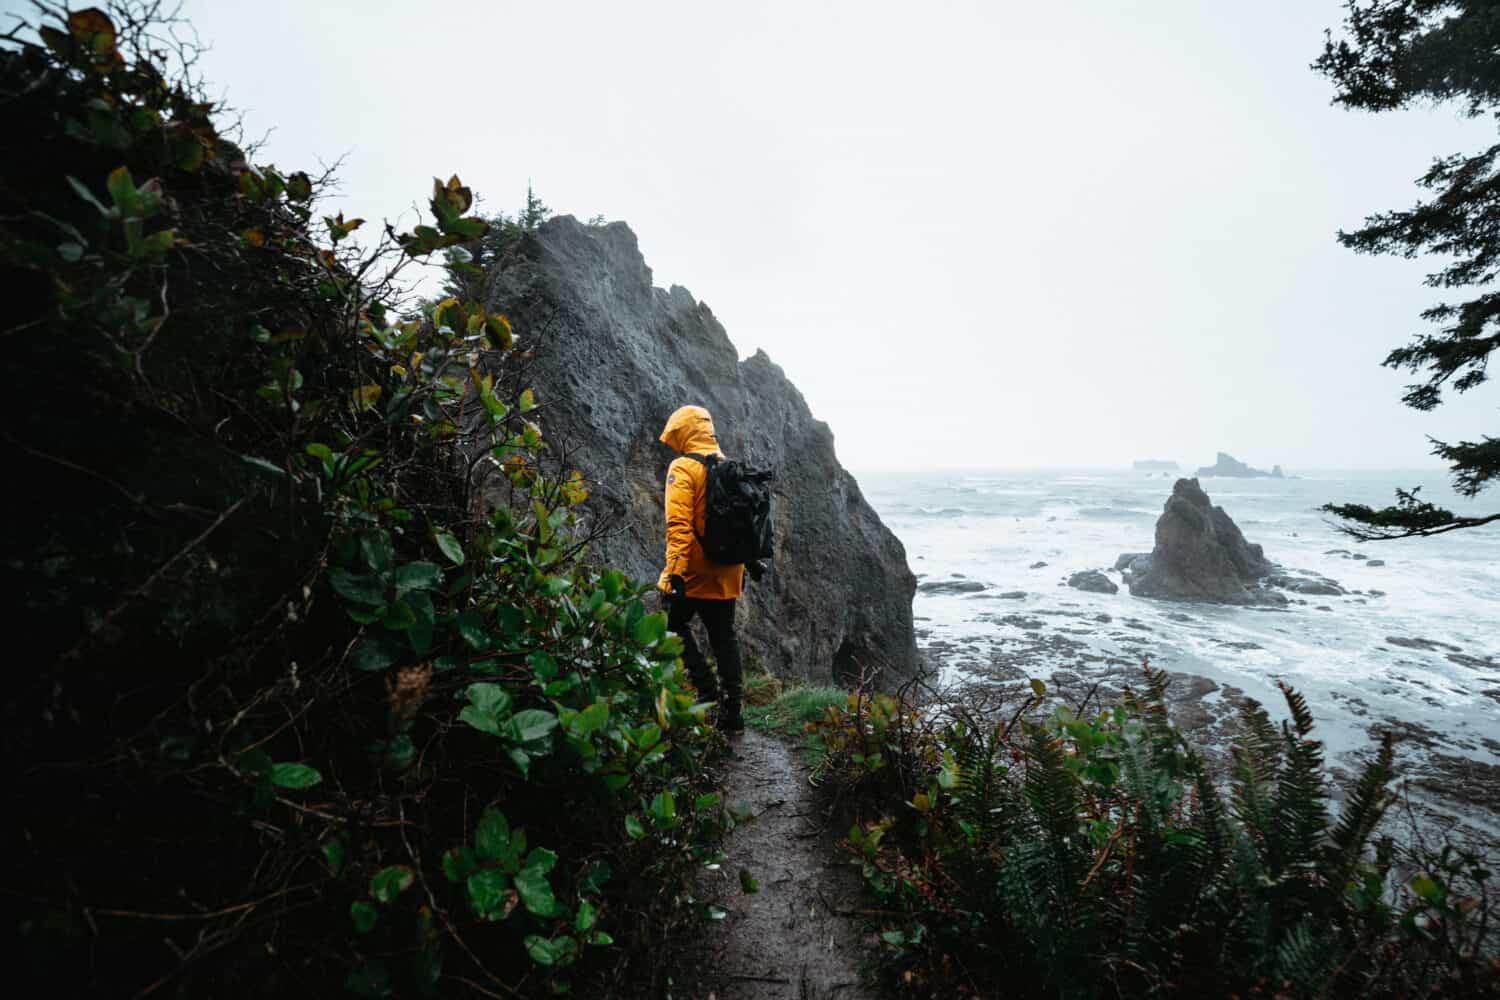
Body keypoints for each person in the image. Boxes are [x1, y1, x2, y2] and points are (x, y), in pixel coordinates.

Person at [656, 404, 757, 732]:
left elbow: (678, 525)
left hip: (694, 570)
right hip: (729, 568)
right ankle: (733, 712)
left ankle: (705, 689)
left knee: (673, 627)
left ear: (683, 432)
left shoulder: (683, 467)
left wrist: (674, 572)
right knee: (724, 637)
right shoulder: (728, 466)